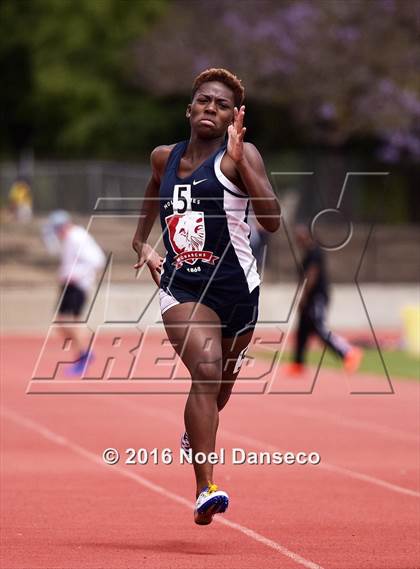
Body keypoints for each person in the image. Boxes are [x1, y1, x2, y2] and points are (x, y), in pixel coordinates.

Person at [132, 68, 280, 525]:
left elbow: (271, 221)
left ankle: (194, 432)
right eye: (203, 101)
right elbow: (154, 193)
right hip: (183, 286)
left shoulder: (241, 156)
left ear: (235, 115)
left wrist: (243, 163)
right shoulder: (165, 157)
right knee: (206, 369)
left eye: (220, 104)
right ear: (189, 108)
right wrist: (142, 243)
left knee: (220, 389)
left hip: (239, 292)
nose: (209, 109)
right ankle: (204, 488)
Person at [288, 224, 363, 375]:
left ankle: (348, 352)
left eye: (300, 235)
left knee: (319, 328)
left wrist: (303, 297)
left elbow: (311, 276)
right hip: (310, 297)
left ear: (307, 235)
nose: (298, 239)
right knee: (302, 329)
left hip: (316, 297)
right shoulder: (307, 253)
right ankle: (298, 363)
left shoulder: (315, 252)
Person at [42, 210, 106, 376]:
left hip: (77, 286)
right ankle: (83, 353)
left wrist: (77, 276)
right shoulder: (70, 239)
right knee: (62, 323)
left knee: (68, 322)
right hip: (69, 286)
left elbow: (98, 260)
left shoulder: (77, 237)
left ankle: (85, 354)